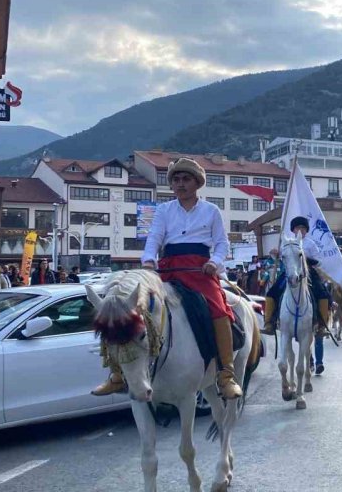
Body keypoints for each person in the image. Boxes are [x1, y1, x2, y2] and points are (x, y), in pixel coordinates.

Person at [94, 157, 243, 399]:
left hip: (199, 269)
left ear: (197, 183)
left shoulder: (211, 210)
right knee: (128, 310)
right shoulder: (164, 210)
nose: (180, 184)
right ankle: (117, 375)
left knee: (219, 308)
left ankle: (226, 374)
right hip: (168, 269)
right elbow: (154, 238)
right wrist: (149, 261)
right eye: (176, 179)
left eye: (186, 179)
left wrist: (214, 263)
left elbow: (222, 244)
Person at [263, 217, 332, 335]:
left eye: (303, 228)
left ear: (306, 230)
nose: (300, 230)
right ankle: (270, 322)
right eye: (298, 227)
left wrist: (305, 258)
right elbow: (281, 258)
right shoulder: (287, 242)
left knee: (323, 294)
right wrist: (276, 254)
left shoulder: (310, 244)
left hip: (308, 273)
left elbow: (319, 261)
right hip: (290, 271)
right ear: (293, 229)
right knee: (272, 293)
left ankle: (321, 324)